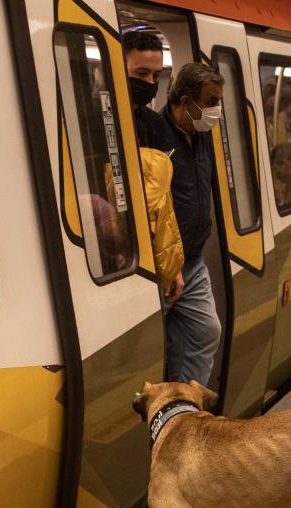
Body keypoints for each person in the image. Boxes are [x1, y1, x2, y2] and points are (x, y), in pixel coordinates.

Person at [137, 62, 224, 388]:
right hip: (161, 264)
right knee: (152, 348)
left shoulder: (201, 136)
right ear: (186, 101)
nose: (216, 109)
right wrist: (165, 261)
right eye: (212, 100)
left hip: (193, 260)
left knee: (205, 331)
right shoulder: (155, 134)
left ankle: (185, 416)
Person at [123, 30, 185, 304]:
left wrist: (172, 265)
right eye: (141, 74)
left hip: (152, 247)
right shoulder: (89, 119)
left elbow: (163, 201)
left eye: (155, 76)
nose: (150, 83)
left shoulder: (154, 124)